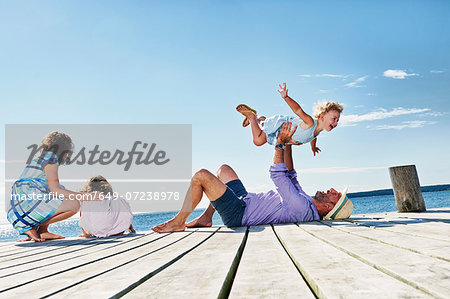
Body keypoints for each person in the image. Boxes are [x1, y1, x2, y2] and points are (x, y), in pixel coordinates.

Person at [152, 122, 353, 233]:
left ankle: (178, 221)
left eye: (336, 195)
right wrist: (290, 143)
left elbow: (278, 175)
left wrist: (280, 143)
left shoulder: (301, 207)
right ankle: (206, 218)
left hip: (239, 214)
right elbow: (290, 175)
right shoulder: (307, 202)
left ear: (328, 208)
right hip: (246, 200)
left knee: (201, 177)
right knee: (224, 170)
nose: (332, 190)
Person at [7, 131, 93, 242]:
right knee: (74, 204)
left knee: (56, 194)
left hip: (18, 210)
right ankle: (32, 227)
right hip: (27, 210)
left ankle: (42, 231)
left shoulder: (39, 159)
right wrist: (85, 196)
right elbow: (56, 191)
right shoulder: (51, 160)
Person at [236, 82, 343, 156]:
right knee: (258, 141)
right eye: (334, 118)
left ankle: (259, 117)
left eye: (337, 120)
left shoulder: (317, 131)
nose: (335, 122)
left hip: (282, 133)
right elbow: (298, 110)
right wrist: (286, 97)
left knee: (265, 123)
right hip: (280, 127)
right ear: (322, 116)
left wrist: (313, 147)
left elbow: (313, 137)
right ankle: (252, 117)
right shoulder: (310, 122)